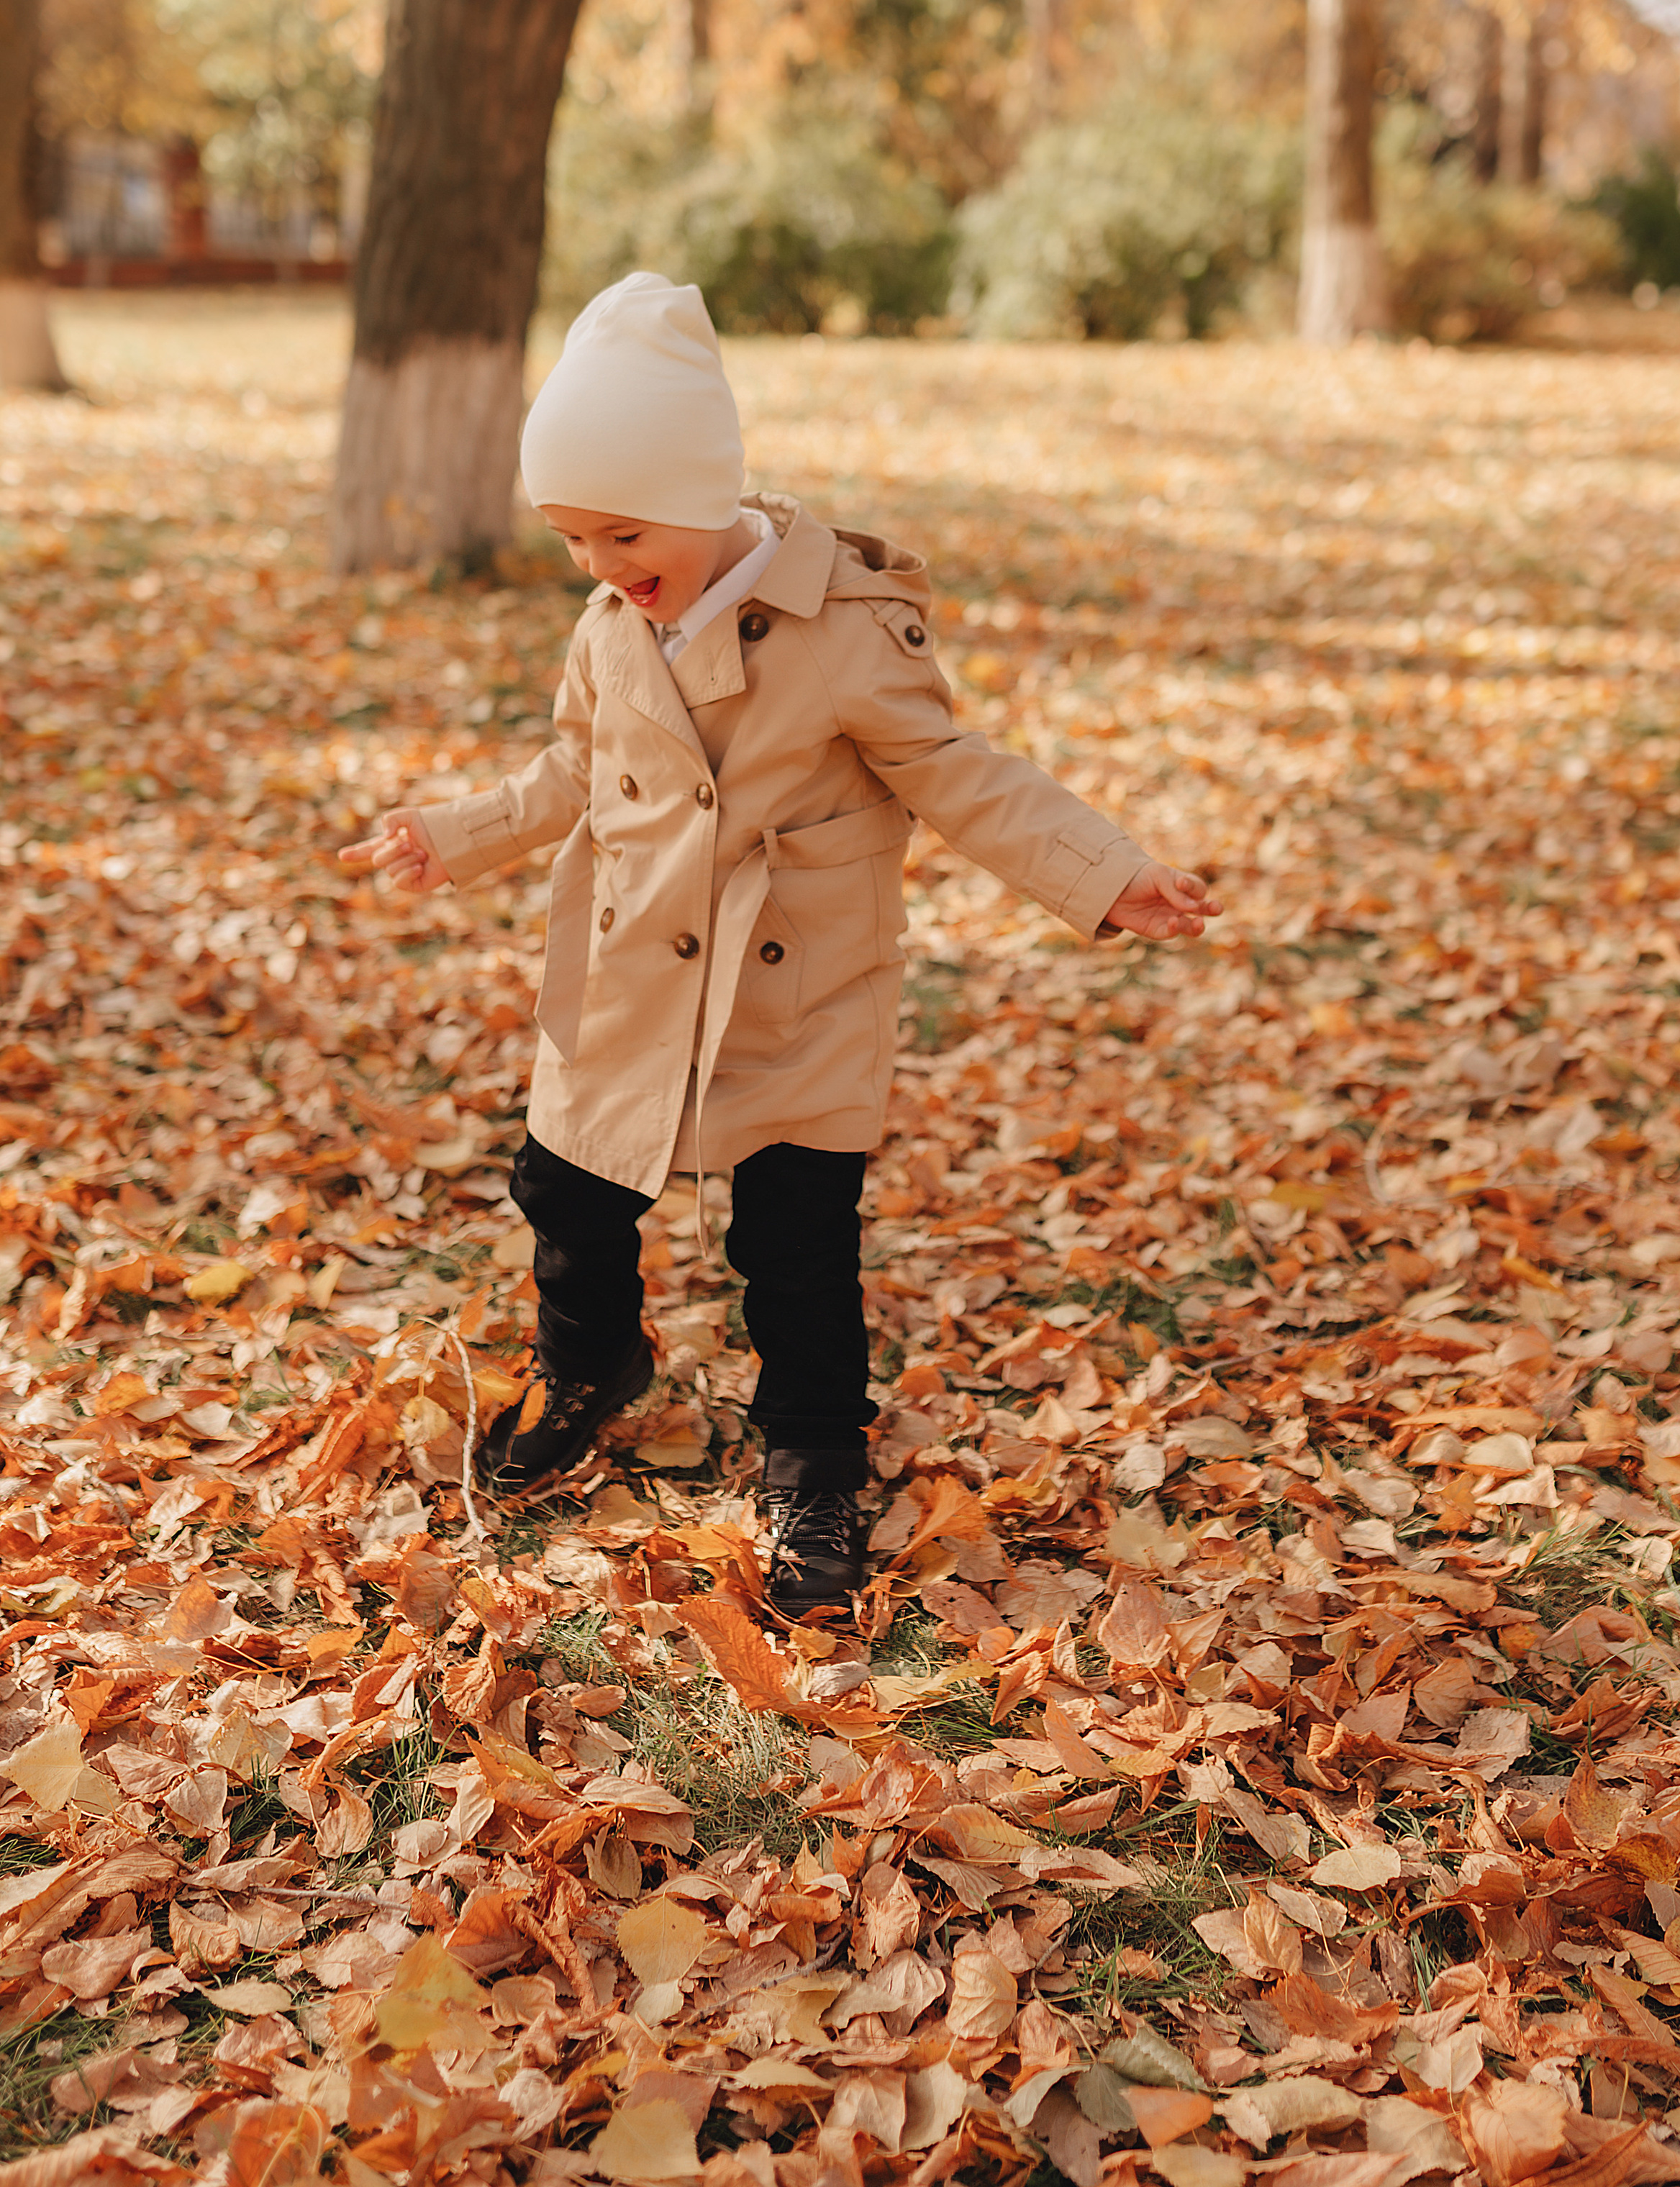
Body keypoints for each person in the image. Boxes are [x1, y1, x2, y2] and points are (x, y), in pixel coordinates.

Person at [340, 273, 1218, 1619]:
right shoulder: (610, 627)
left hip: (795, 988)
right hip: (630, 978)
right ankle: (591, 1363)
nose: (599, 567)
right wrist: (451, 833)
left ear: (704, 494)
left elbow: (962, 773)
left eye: (621, 531)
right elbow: (569, 774)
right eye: (573, 540)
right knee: (567, 1202)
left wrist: (1106, 875)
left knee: (796, 1244)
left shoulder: (849, 631)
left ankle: (812, 1448)